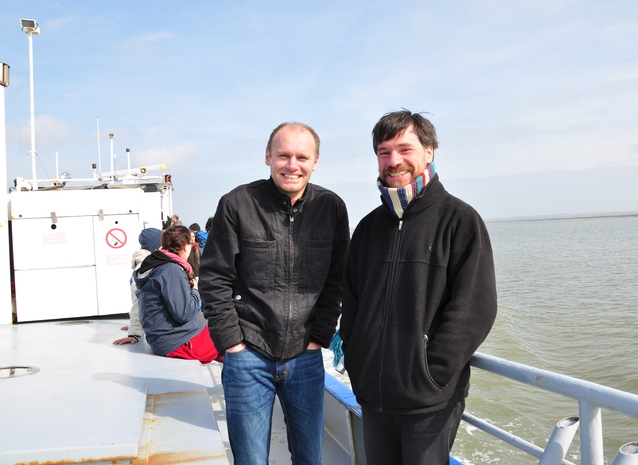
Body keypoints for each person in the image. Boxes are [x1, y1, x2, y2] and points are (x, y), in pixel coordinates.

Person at [339, 110, 498, 465]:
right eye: (384, 152)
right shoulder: (367, 228)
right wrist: (357, 360)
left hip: (429, 400)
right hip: (373, 395)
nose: (394, 161)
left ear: (429, 152)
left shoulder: (460, 220)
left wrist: (431, 373)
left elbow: (475, 308)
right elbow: (351, 302)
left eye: (405, 149)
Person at [199, 122, 350, 465]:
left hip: (306, 357)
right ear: (268, 157)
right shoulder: (237, 204)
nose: (292, 165)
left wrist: (318, 338)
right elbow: (214, 278)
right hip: (248, 356)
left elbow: (337, 280)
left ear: (315, 161)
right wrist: (232, 345)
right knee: (251, 460)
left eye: (301, 157)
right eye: (283, 155)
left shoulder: (331, 207)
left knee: (309, 458)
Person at [134, 225, 221, 364]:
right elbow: (184, 314)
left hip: (160, 337)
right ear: (186, 246)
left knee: (220, 326)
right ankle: (238, 382)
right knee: (231, 337)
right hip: (174, 341)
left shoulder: (156, 265)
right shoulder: (171, 269)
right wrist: (195, 290)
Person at [114, 228, 163, 345]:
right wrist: (134, 332)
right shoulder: (145, 266)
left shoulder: (145, 263)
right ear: (156, 246)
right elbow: (138, 301)